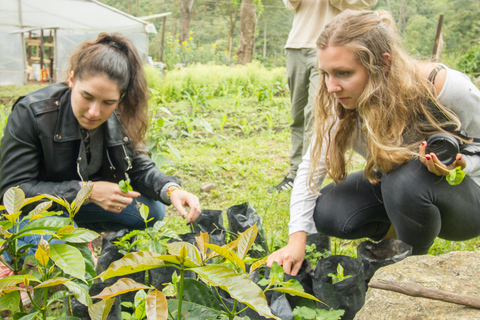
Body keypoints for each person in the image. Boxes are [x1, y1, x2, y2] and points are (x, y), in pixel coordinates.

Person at [267, 9, 480, 276]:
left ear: (383, 64)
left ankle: (407, 270)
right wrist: (296, 239)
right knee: (328, 211)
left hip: (468, 200)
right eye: (325, 73)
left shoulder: (442, 87)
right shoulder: (341, 100)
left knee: (405, 177)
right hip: (400, 187)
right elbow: (311, 170)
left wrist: (461, 164)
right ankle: (396, 233)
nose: (331, 86)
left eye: (343, 73)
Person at [0, 33, 201, 242]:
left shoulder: (122, 113)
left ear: (120, 98)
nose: (94, 112)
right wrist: (86, 191)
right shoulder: (33, 113)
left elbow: (138, 165)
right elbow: (13, 191)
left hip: (83, 202)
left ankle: (79, 228)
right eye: (87, 97)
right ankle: (46, 237)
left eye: (108, 102)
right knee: (64, 250)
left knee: (153, 210)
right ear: (71, 80)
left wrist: (171, 189)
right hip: (38, 209)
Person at [269, 0, 377, 192]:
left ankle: (307, 176)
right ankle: (294, 173)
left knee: (315, 112)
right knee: (298, 114)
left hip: (333, 47)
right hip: (297, 43)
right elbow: (290, 4)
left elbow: (367, 2)